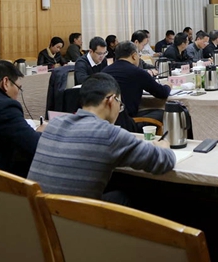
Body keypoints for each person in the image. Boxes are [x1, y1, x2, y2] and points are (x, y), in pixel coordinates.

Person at [27, 73, 174, 203]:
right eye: (120, 104)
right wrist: (164, 146)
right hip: (76, 218)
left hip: (37, 213)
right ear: (111, 100)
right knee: (136, 195)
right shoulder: (109, 134)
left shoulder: (54, 124)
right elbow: (164, 161)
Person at [103, 41, 171, 122]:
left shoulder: (104, 71)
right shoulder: (138, 72)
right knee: (164, 112)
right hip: (128, 120)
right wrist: (168, 85)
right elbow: (162, 93)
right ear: (134, 56)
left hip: (106, 120)